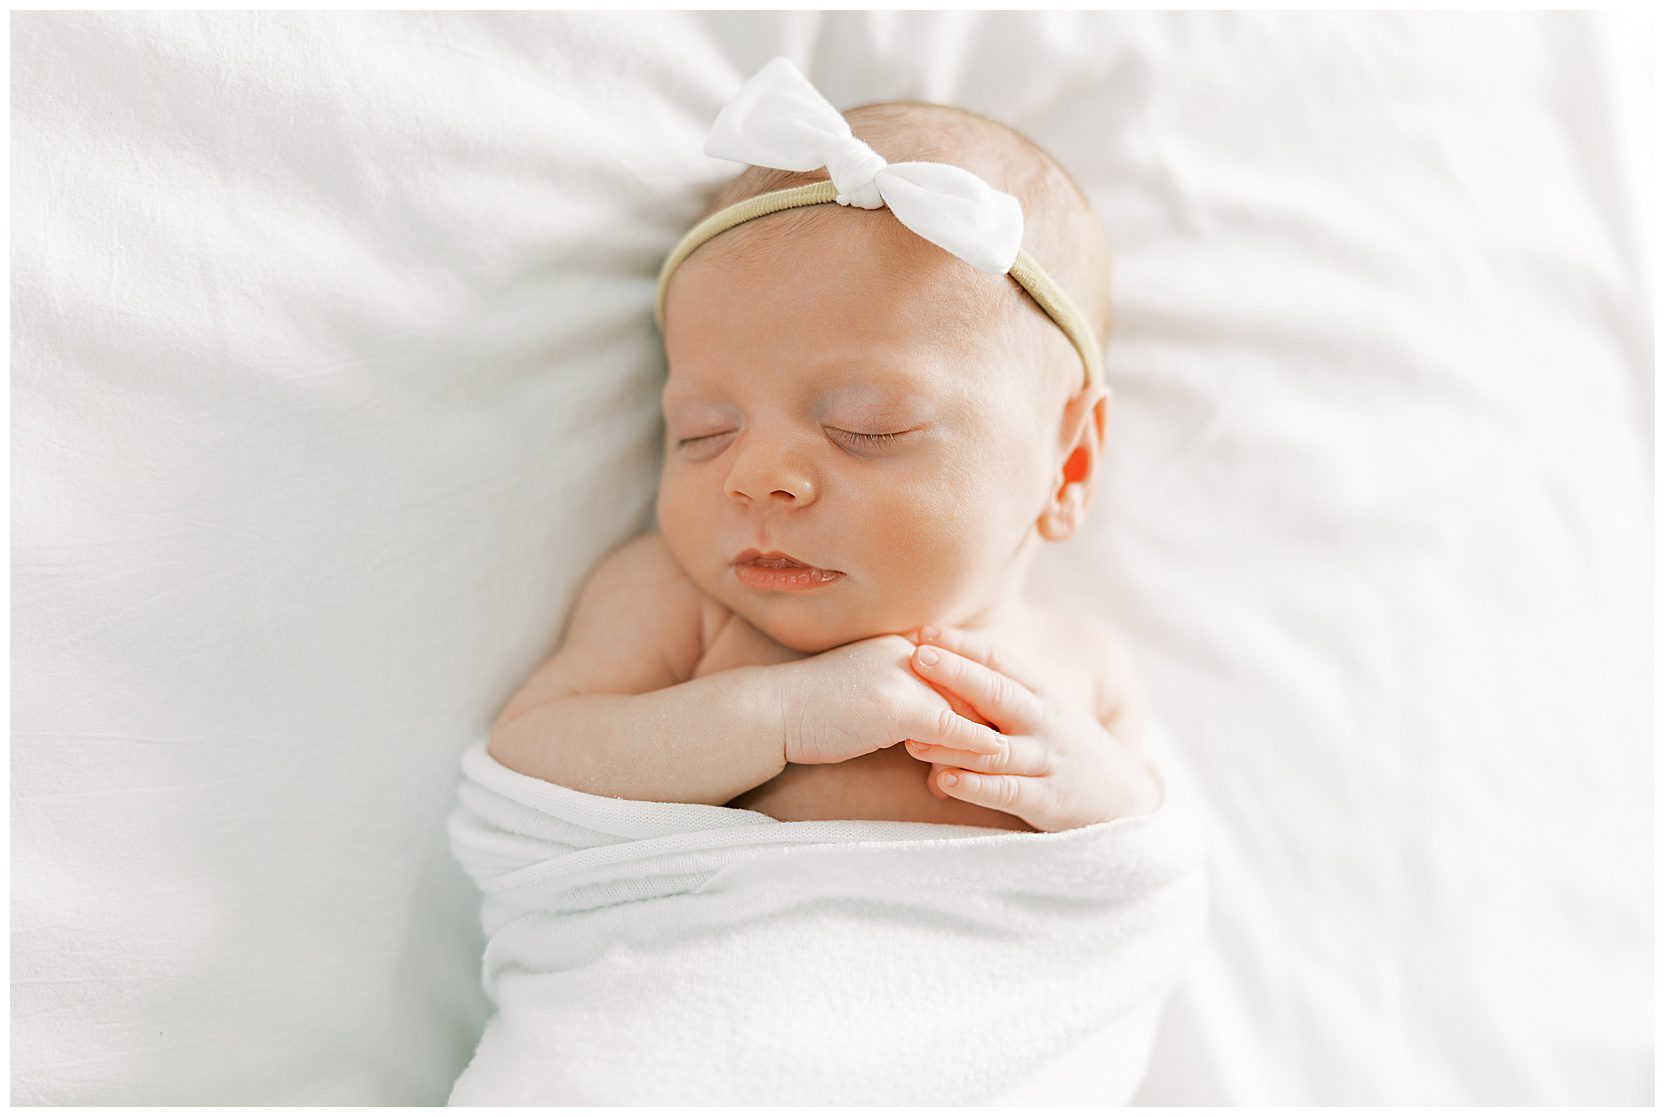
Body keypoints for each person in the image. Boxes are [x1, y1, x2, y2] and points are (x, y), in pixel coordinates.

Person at [487, 58, 1163, 833]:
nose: (757, 476)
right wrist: (771, 716)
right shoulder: (679, 605)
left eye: (864, 429)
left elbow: (1145, 856)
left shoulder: (1081, 669)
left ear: (1068, 464)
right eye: (704, 433)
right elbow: (529, 756)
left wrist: (1098, 792)